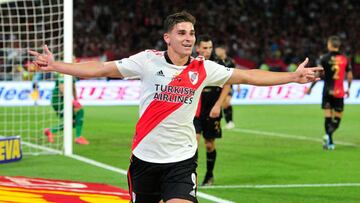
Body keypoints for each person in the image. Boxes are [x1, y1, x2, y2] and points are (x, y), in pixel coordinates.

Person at [29, 11, 321, 203]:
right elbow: (99, 69)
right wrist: (56, 66)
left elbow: (248, 75)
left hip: (181, 161)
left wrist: (293, 76)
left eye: (191, 33)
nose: (189, 38)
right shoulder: (146, 61)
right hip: (144, 159)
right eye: (182, 33)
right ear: (167, 37)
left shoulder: (203, 68)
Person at [193, 35, 231, 186]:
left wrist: (218, 105)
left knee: (209, 145)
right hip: (195, 111)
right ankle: (191, 177)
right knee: (193, 143)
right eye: (204, 48)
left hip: (212, 109)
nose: (208, 51)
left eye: (210, 47)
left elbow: (227, 85)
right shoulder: (192, 63)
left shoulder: (218, 63)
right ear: (198, 49)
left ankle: (209, 175)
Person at [306, 36, 352, 150]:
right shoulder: (345, 59)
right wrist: (349, 88)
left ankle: (329, 140)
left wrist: (311, 87)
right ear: (338, 45)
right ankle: (329, 139)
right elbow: (350, 76)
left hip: (327, 91)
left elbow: (318, 75)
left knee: (327, 118)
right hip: (339, 92)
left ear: (330, 45)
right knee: (336, 120)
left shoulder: (324, 58)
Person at [44, 73, 89, 145]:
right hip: (58, 100)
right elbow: (62, 87)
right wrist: (70, 100)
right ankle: (78, 137)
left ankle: (51, 130)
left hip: (64, 99)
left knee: (74, 122)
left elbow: (73, 88)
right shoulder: (63, 72)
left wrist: (76, 100)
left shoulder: (72, 72)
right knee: (79, 111)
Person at [215, 45, 236, 129]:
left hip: (229, 85)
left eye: (218, 50)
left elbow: (235, 73)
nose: (216, 52)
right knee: (223, 104)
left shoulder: (230, 61)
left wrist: (237, 85)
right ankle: (228, 122)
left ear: (223, 50)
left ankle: (230, 121)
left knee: (227, 102)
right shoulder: (216, 61)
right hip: (219, 86)